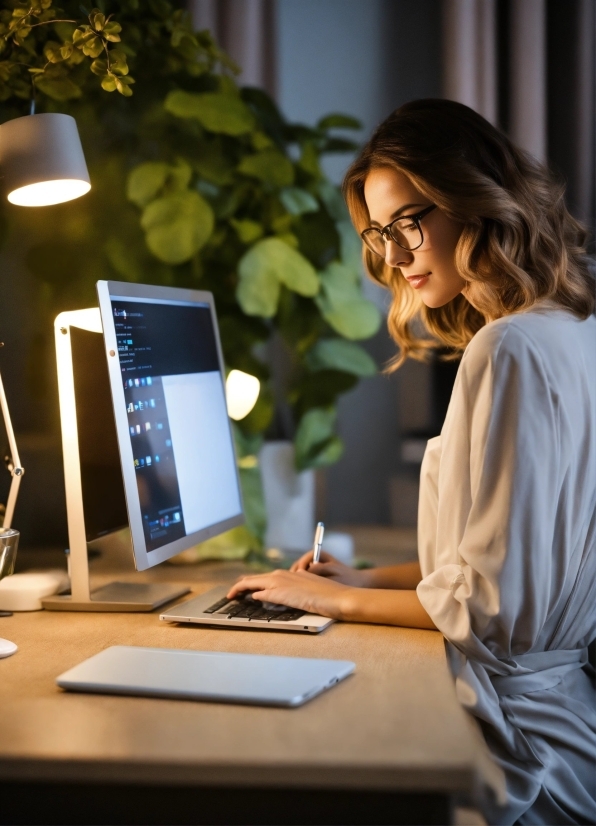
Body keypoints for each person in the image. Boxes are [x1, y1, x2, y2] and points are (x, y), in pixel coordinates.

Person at [228, 99, 596, 825]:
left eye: (408, 223)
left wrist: (330, 600)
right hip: (562, 714)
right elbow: (492, 566)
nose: (392, 257)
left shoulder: (511, 348)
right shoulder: (570, 327)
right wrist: (362, 578)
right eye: (377, 231)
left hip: (521, 746)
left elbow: (486, 609)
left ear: (471, 198)